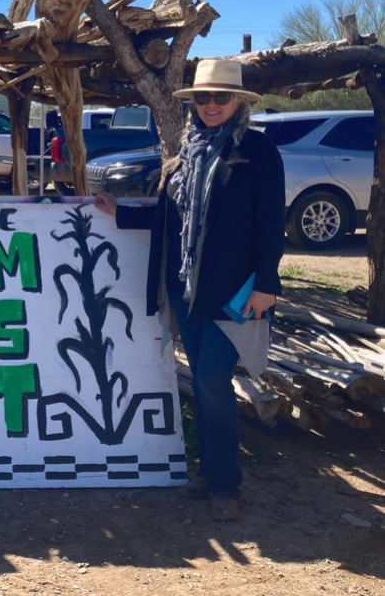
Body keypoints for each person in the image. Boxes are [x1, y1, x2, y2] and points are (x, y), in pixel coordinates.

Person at [94, 59, 284, 522]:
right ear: (193, 103)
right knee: (203, 380)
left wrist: (267, 283)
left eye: (222, 97)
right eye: (203, 98)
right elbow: (170, 219)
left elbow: (271, 221)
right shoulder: (184, 156)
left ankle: (225, 485)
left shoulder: (257, 152)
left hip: (233, 291)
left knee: (214, 381)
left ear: (238, 102)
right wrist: (120, 213)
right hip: (186, 288)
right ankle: (210, 472)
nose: (212, 105)